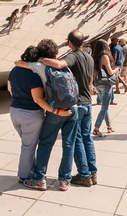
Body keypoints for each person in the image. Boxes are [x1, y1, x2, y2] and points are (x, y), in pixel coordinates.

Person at [37, 30, 98, 188]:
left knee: (76, 140)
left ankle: (84, 174)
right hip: (88, 102)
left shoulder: (74, 55)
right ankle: (92, 172)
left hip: (77, 103)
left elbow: (59, 64)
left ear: (70, 43)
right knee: (87, 138)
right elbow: (90, 79)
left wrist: (42, 59)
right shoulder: (89, 57)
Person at [19, 39, 78, 192]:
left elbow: (17, 63)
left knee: (45, 143)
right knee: (69, 144)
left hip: (56, 109)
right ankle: (65, 180)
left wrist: (38, 59)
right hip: (74, 107)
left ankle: (39, 178)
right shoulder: (63, 66)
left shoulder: (40, 66)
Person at [7, 46, 72, 183]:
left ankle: (30, 170)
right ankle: (25, 175)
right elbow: (37, 99)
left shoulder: (14, 70)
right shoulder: (34, 74)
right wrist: (55, 111)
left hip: (14, 111)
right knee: (28, 146)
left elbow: (9, 88)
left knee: (26, 144)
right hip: (30, 113)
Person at [93, 40, 120, 137]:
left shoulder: (95, 57)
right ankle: (96, 128)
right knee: (104, 108)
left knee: (105, 106)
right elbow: (110, 72)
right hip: (105, 84)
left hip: (98, 83)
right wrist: (116, 70)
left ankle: (109, 126)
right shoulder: (104, 56)